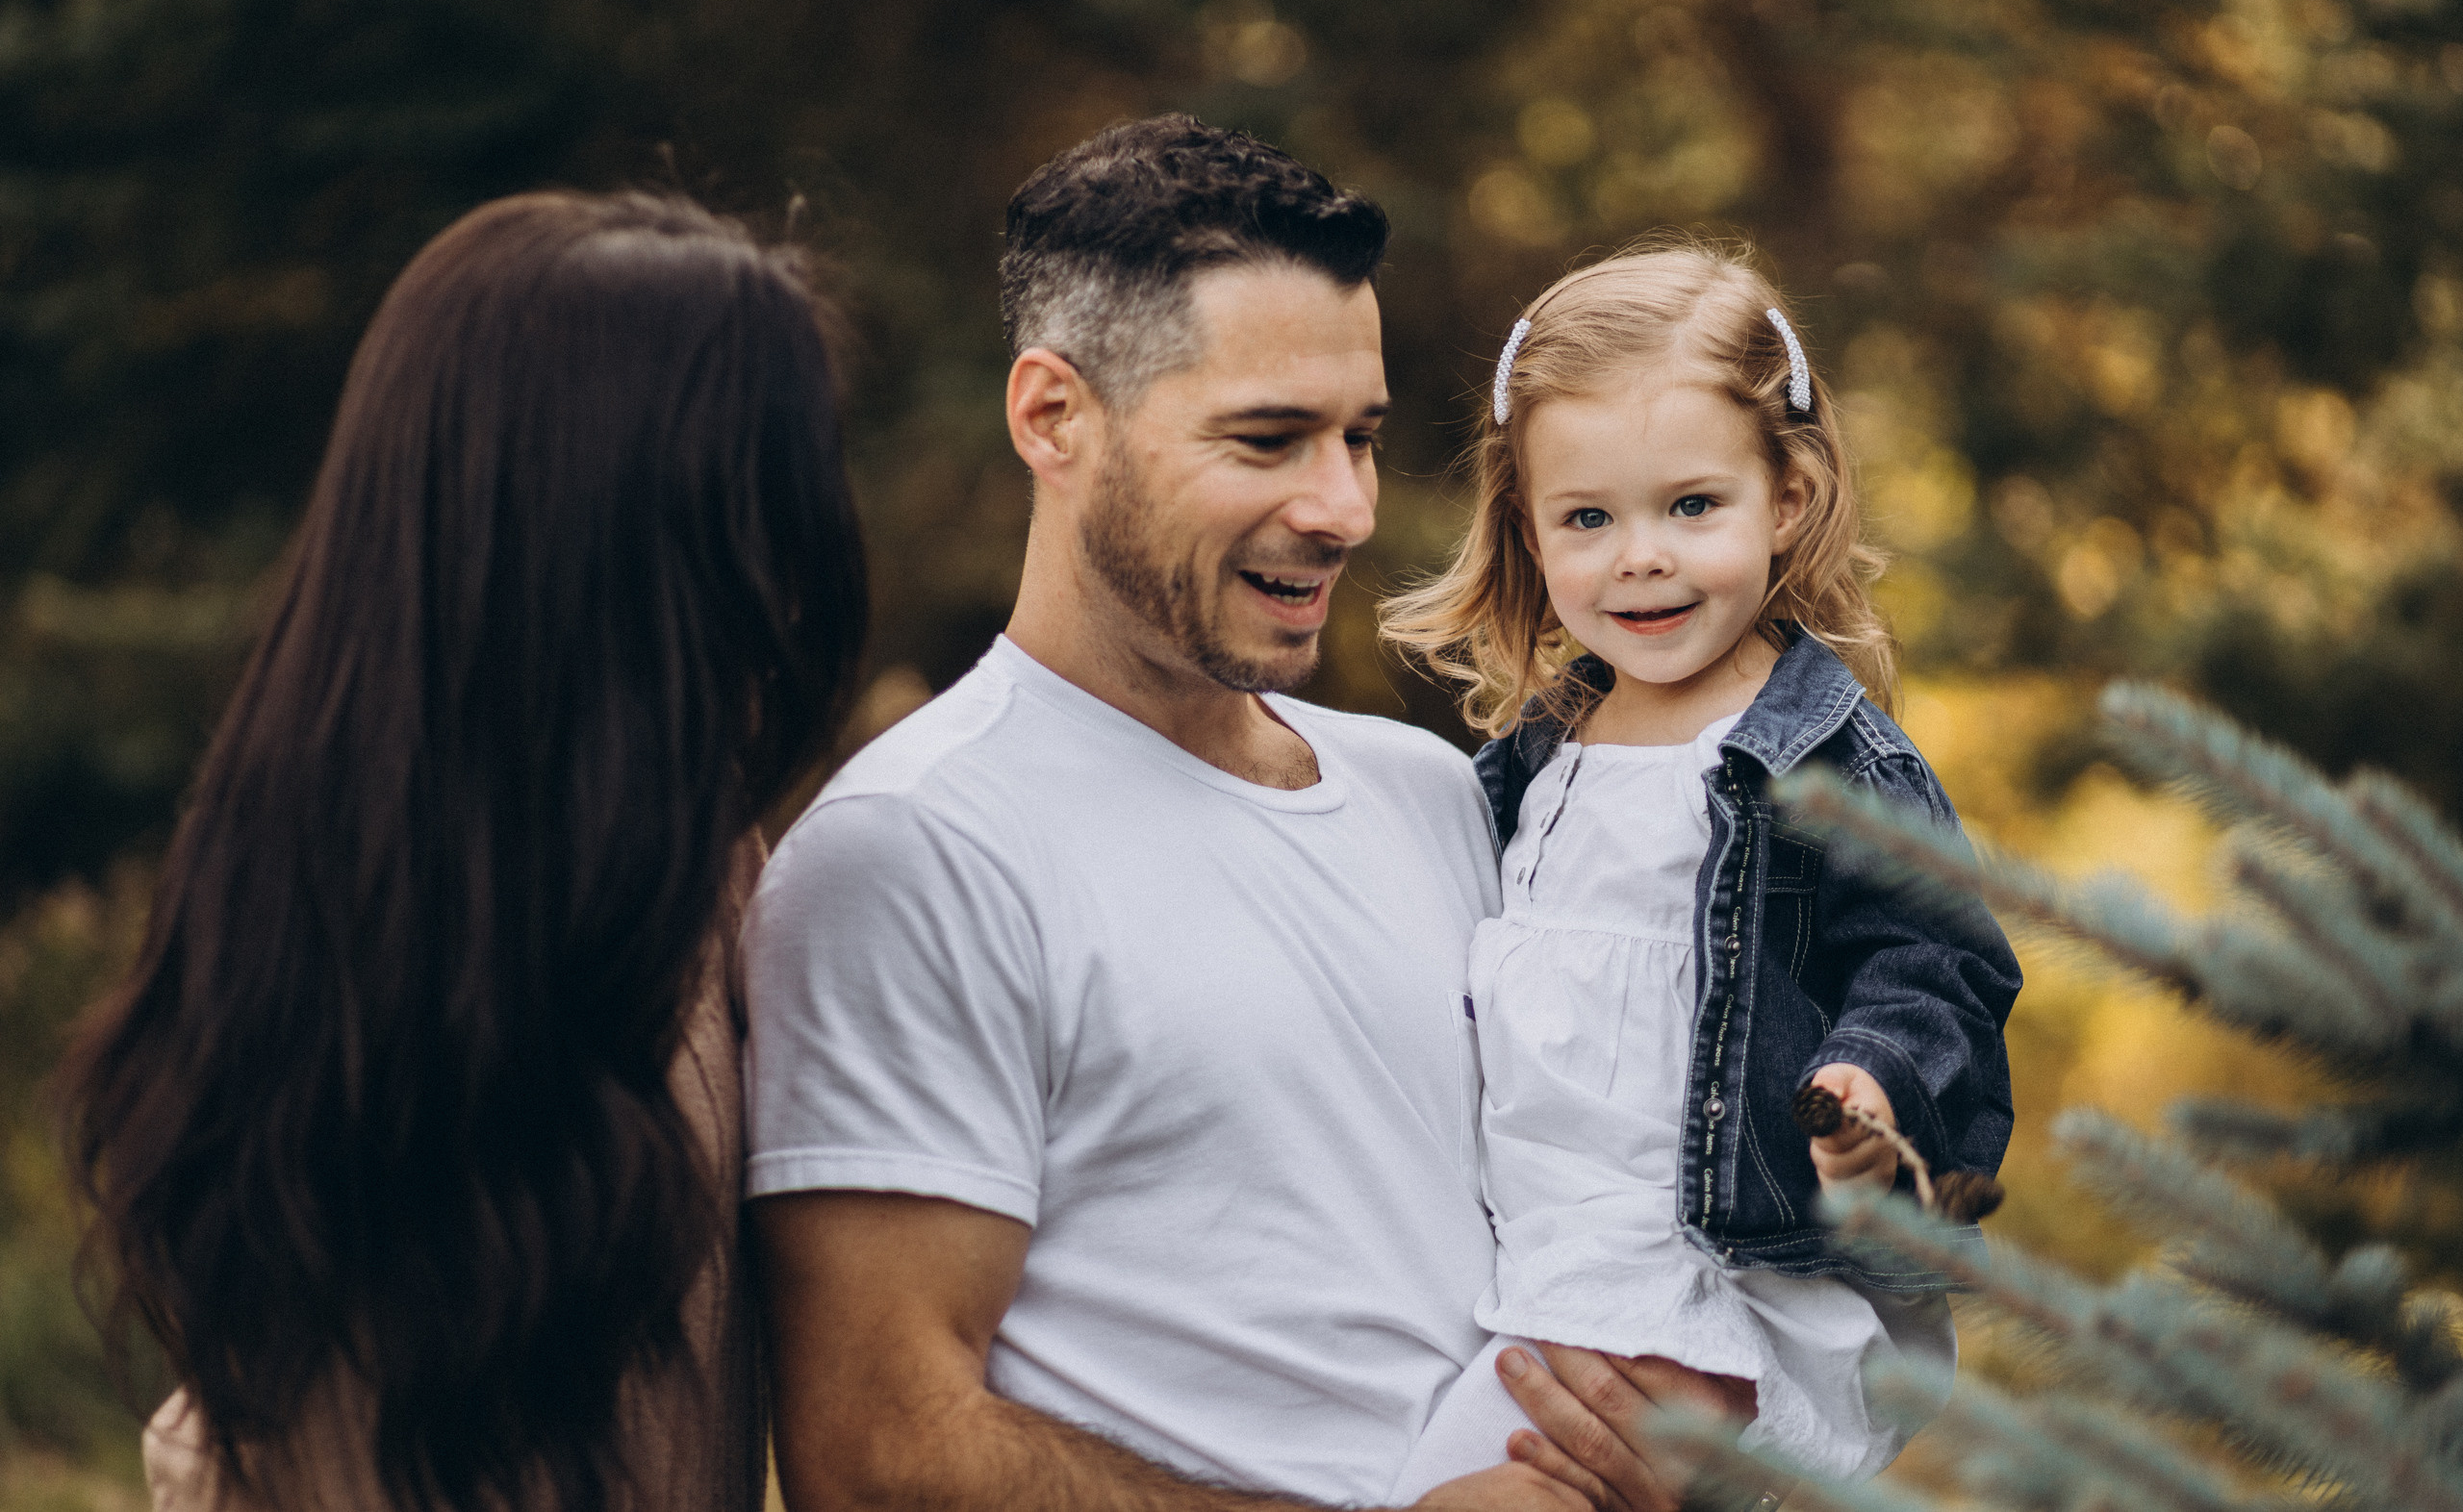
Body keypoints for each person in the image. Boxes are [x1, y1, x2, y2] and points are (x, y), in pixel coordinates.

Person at [747, 117, 1713, 1512]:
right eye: (1269, 439)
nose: (1343, 508)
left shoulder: (1430, 792)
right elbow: (881, 1454)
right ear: (1054, 417)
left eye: (1360, 438)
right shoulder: (916, 847)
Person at [60, 190, 869, 1512]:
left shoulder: (657, 865)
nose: (789, 565)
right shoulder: (386, 925)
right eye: (760, 498)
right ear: (632, 529)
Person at [1378, 243, 2023, 1498]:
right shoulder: (1526, 774)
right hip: (1538, 1280)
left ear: (1786, 498)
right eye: (1588, 519)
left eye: (1691, 506)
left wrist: (1873, 1088)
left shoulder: (1821, 764)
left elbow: (1938, 964)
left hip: (1730, 1287)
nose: (1641, 556)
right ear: (1528, 530)